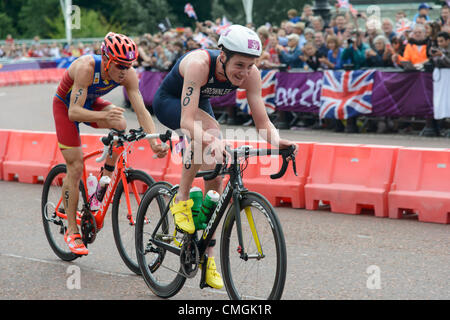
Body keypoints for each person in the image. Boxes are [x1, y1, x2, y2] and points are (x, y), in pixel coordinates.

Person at [152, 24, 298, 289]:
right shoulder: (199, 64)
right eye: (239, 64)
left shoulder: (251, 74)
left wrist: (278, 141)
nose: (244, 73)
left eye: (250, 65)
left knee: (216, 180)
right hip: (170, 102)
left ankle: (207, 259)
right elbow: (186, 120)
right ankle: (181, 201)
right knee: (209, 131)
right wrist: (210, 139)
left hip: (200, 104)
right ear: (223, 55)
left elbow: (262, 122)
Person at [53, 32, 168, 256]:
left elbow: (141, 110)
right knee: (75, 167)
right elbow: (74, 112)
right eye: (120, 65)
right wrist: (103, 119)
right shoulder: (86, 67)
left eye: (129, 65)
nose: (124, 71)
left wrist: (154, 140)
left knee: (122, 123)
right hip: (66, 107)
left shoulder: (128, 74)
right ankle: (72, 231)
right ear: (105, 59)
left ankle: (100, 189)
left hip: (91, 102)